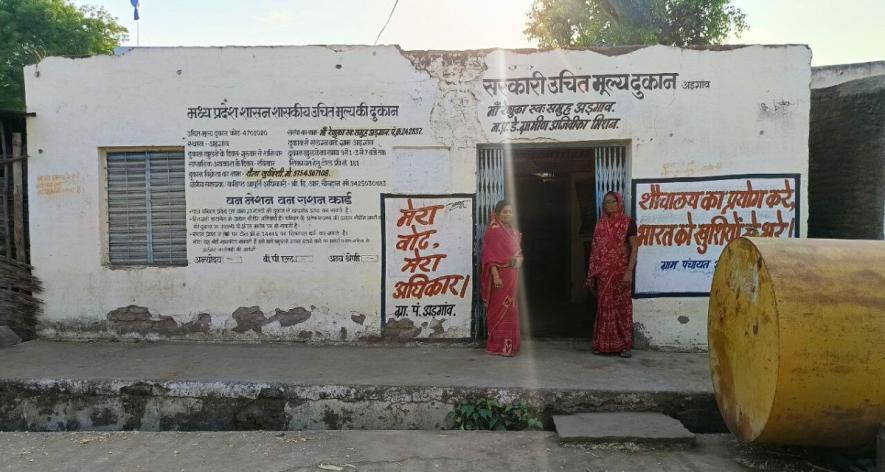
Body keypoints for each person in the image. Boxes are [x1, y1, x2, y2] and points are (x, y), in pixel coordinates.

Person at [585, 191, 638, 358]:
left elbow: (634, 247)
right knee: (604, 307)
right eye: (606, 202)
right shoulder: (600, 225)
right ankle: (602, 345)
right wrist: (592, 274)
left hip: (621, 272)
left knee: (622, 308)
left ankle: (624, 346)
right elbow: (595, 251)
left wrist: (629, 271)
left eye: (612, 202)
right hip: (603, 274)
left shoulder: (628, 223)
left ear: (619, 203)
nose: (609, 205)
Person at [480, 200, 523, 357]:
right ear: (497, 214)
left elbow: (518, 254)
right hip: (500, 276)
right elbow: (489, 258)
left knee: (511, 309)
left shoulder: (514, 232)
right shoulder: (493, 232)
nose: (507, 214)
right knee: (499, 309)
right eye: (504, 211)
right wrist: (496, 276)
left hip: (512, 276)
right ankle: (497, 346)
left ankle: (509, 346)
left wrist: (518, 260)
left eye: (510, 212)